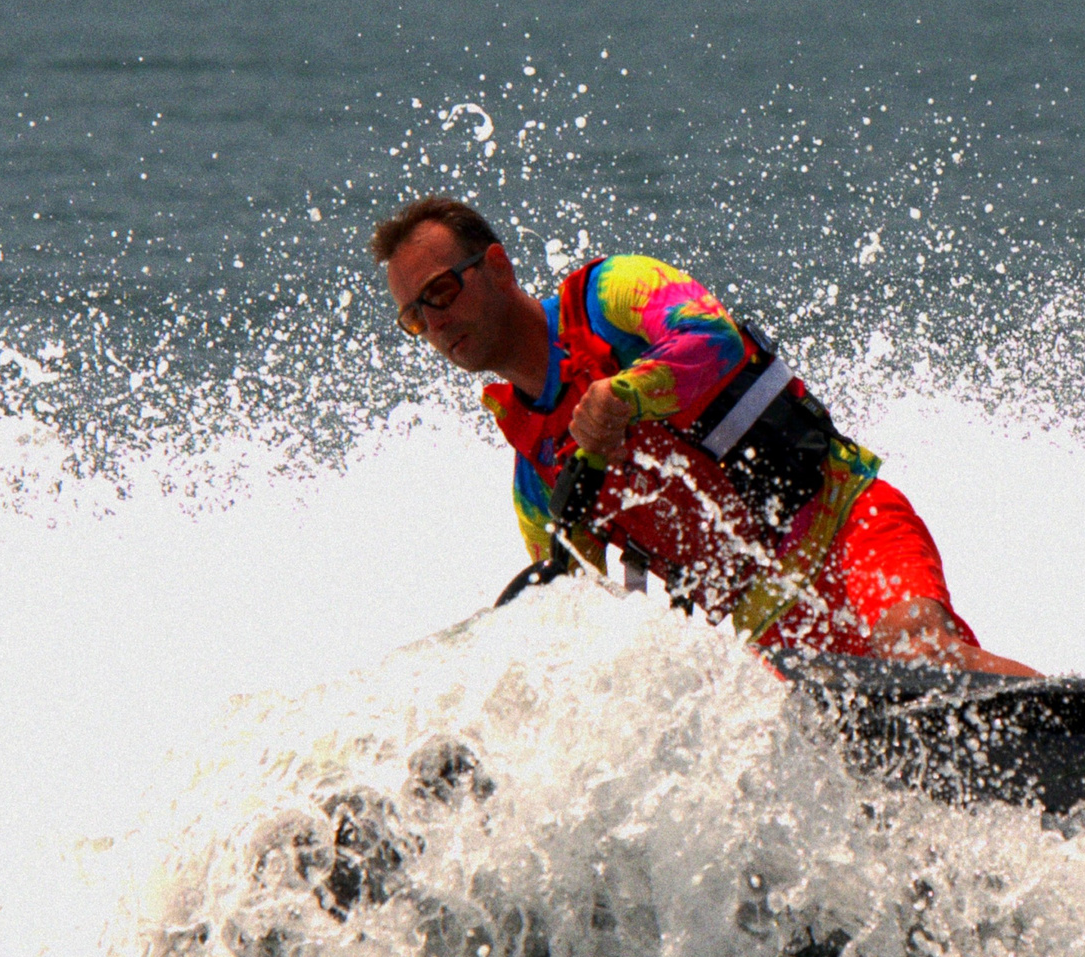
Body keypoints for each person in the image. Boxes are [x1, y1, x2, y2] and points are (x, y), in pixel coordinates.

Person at [373, 195, 1035, 676]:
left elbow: (711, 337)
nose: (434, 323)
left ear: (496, 266)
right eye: (413, 316)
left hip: (845, 529)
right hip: (769, 641)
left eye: (440, 292)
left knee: (918, 658)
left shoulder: (612, 296)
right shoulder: (535, 480)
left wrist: (624, 395)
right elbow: (583, 620)